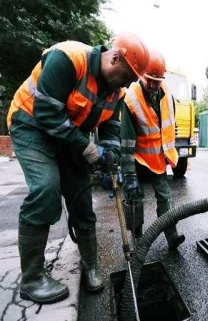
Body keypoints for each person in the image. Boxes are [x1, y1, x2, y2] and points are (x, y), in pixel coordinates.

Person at [6, 32, 151, 304]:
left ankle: (90, 266)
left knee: (82, 201)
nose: (129, 85)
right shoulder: (69, 58)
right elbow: (48, 114)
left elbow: (110, 128)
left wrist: (110, 156)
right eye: (128, 77)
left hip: (69, 139)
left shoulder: (116, 92)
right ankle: (32, 278)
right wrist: (88, 150)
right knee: (46, 188)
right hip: (32, 126)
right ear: (115, 58)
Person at [120, 48, 186, 250]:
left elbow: (167, 127)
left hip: (157, 158)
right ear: (142, 76)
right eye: (149, 80)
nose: (153, 85)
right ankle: (138, 240)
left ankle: (171, 235)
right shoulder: (131, 99)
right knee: (134, 197)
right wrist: (129, 175)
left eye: (157, 81)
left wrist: (169, 154)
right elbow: (127, 142)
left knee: (165, 196)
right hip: (138, 158)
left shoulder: (167, 95)